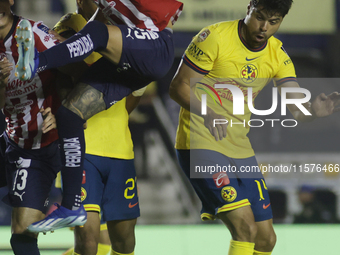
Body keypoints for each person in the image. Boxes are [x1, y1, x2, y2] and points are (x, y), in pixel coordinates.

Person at [169, 0, 340, 255]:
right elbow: (178, 86)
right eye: (260, 17)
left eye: (273, 22)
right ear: (249, 7)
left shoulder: (277, 55)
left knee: (265, 239)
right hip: (201, 143)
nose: (264, 27)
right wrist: (207, 112)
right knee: (245, 227)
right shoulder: (214, 37)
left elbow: (296, 109)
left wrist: (314, 111)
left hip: (240, 150)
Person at [14, 0, 183, 233]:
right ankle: (72, 207)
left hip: (155, 47)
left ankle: (34, 63)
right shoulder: (98, 14)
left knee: (95, 33)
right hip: (130, 62)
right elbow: (90, 35)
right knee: (70, 115)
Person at [52, 3, 144, 254]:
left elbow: (128, 103)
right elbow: (64, 63)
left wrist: (136, 85)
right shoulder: (73, 24)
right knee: (88, 240)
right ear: (81, 2)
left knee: (125, 243)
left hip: (120, 151)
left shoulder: (126, 31)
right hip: (82, 149)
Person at [0, 2, 78, 254]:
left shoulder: (35, 33)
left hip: (53, 141)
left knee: (88, 234)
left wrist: (62, 112)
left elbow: (74, 71)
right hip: (18, 144)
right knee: (21, 234)